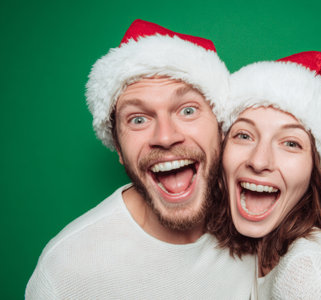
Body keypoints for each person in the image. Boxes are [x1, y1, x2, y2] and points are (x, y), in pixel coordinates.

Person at [25, 19, 255, 299]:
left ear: (221, 130)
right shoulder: (67, 271)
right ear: (119, 149)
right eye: (138, 119)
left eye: (187, 111)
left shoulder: (264, 225)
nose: (166, 136)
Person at [209, 51, 321, 299]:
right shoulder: (270, 245)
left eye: (291, 143)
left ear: (317, 169)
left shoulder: (310, 275)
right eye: (244, 135)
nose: (259, 161)